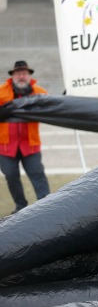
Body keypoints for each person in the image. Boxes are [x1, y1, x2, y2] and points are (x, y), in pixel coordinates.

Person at [0, 61, 51, 214]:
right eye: (18, 73)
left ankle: (48, 206)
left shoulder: (39, 92)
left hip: (30, 145)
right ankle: (20, 206)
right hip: (6, 145)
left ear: (29, 76)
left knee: (37, 175)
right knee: (11, 176)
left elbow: (52, 106)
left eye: (24, 73)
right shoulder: (2, 92)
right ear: (13, 76)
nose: (21, 76)